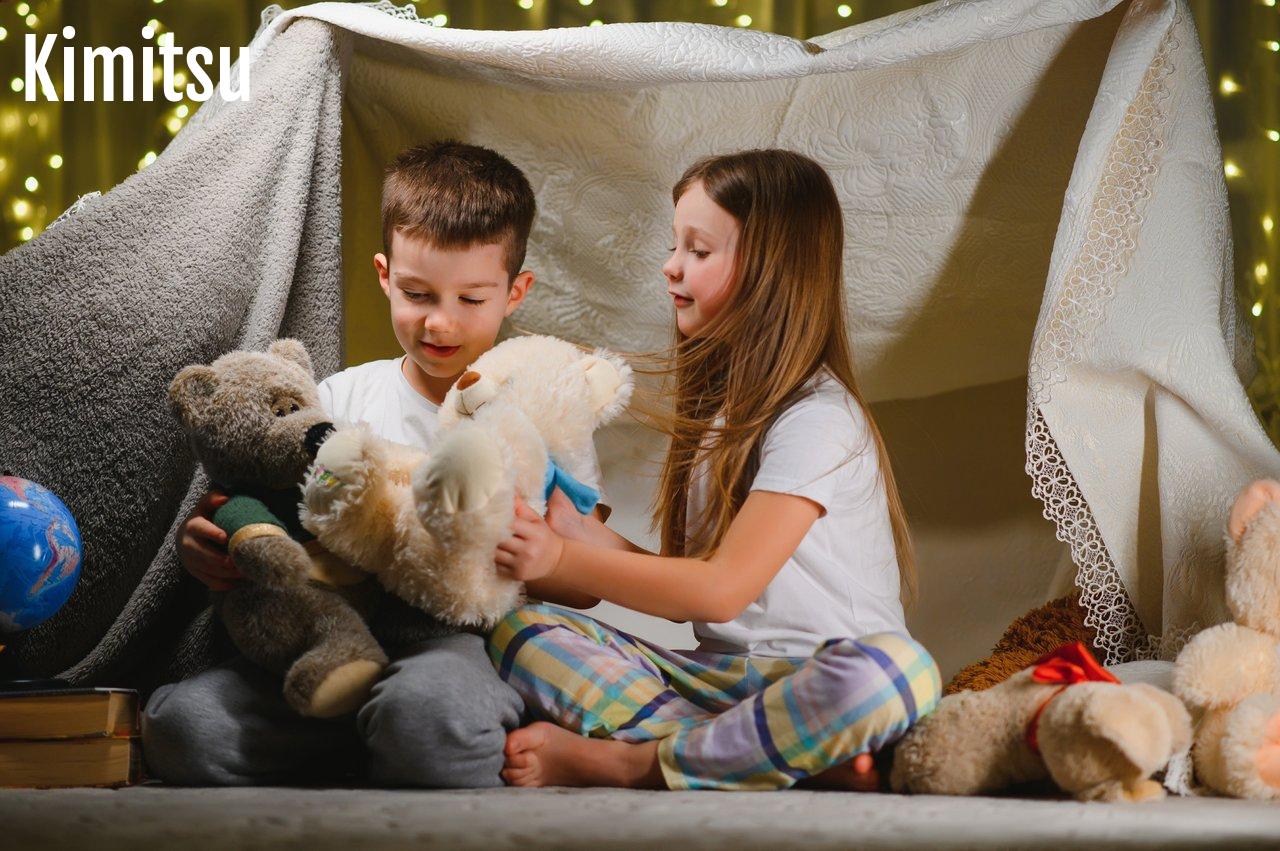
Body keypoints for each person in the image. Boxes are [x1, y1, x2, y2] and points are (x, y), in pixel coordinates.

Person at [142, 141, 607, 787]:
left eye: (471, 299)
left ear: (515, 291)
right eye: (417, 293)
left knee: (428, 717)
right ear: (385, 275)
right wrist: (206, 542)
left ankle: (396, 739)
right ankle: (374, 742)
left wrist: (527, 546)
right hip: (327, 634)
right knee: (184, 727)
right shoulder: (340, 397)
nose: (440, 322)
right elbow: (251, 501)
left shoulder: (533, 409)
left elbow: (585, 579)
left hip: (448, 641)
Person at [485, 148, 941, 791]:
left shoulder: (818, 417)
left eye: (698, 251)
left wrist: (559, 561)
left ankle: (643, 763)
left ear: (771, 271)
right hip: (717, 681)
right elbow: (691, 594)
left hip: (820, 676)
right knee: (517, 630)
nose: (671, 267)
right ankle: (779, 759)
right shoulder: (721, 414)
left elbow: (721, 589)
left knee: (899, 674)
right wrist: (581, 538)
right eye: (677, 247)